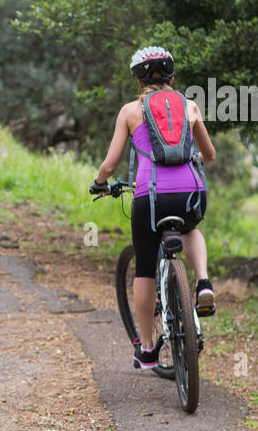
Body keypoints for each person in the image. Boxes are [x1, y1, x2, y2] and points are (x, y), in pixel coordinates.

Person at [91, 46, 217, 370]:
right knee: (191, 229)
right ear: (172, 78)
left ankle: (147, 348)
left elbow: (110, 162)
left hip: (150, 198)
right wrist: (189, 160)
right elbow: (210, 154)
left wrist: (100, 182)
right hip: (190, 192)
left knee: (145, 266)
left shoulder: (130, 112)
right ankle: (203, 282)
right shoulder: (190, 107)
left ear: (139, 82)